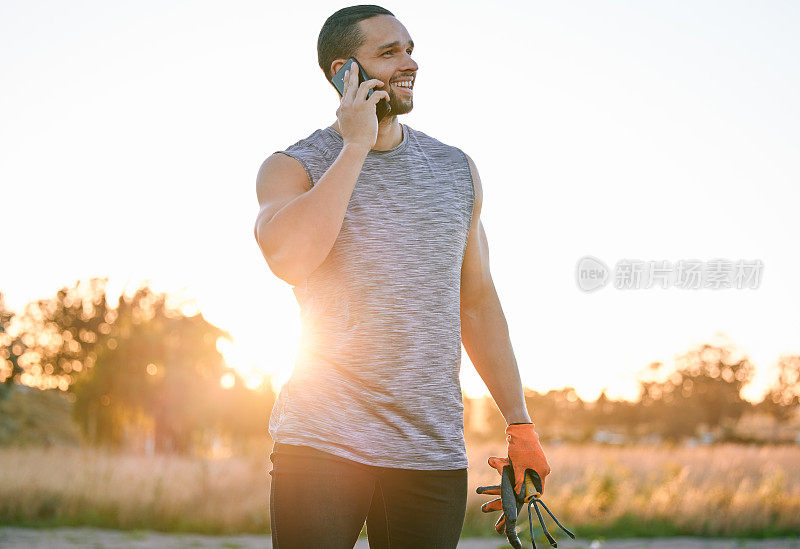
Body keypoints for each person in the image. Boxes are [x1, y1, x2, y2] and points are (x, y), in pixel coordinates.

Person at [253, 5, 551, 548]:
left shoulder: (455, 170)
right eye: (388, 53)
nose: (408, 62)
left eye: (409, 49)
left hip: (430, 450)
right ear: (345, 71)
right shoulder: (293, 166)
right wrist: (354, 147)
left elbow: (478, 304)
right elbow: (290, 260)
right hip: (321, 441)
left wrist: (520, 422)